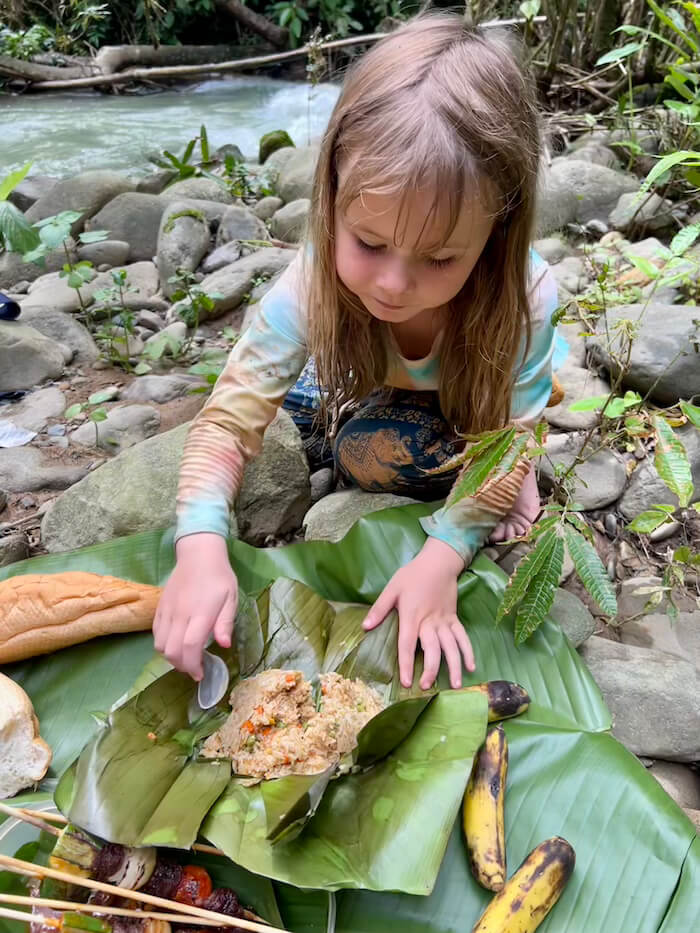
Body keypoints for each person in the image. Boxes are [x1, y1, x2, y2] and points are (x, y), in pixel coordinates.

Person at [154, 11, 564, 694]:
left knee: (463, 447)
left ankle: (515, 460)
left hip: (475, 374)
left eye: (439, 257)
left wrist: (442, 555)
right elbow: (227, 422)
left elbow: (506, 439)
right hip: (363, 365)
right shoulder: (314, 281)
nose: (395, 284)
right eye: (369, 244)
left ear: (495, 234)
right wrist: (199, 544)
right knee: (316, 418)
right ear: (332, 200)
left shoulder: (522, 298)